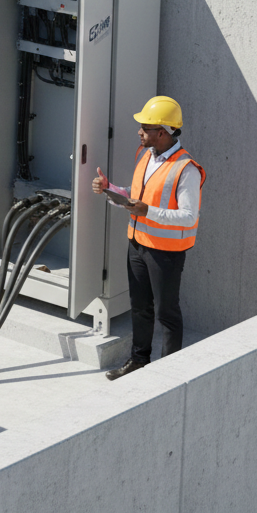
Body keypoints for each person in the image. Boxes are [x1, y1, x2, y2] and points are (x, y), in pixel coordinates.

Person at [92, 96, 206, 380]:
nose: (139, 132)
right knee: (140, 307)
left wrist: (148, 211)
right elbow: (136, 195)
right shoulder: (145, 156)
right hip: (137, 245)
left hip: (165, 252)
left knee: (167, 313)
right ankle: (138, 361)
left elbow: (189, 216)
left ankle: (168, 377)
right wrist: (111, 189)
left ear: (163, 132)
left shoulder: (186, 169)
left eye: (146, 127)